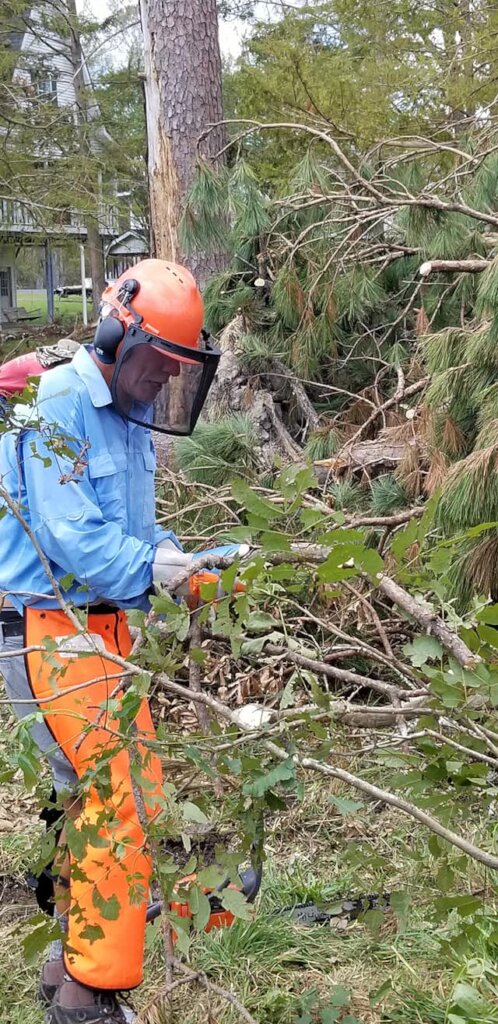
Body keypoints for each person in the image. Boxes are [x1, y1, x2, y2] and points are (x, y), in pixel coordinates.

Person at [0, 259, 229, 1024]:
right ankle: (89, 999)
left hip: (104, 627)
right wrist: (153, 571)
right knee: (113, 802)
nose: (161, 380)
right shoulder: (60, 400)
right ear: (114, 330)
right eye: (155, 362)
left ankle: (69, 952)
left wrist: (193, 563)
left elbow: (137, 537)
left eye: (176, 368)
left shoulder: (131, 422)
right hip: (49, 624)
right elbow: (74, 540)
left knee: (122, 792)